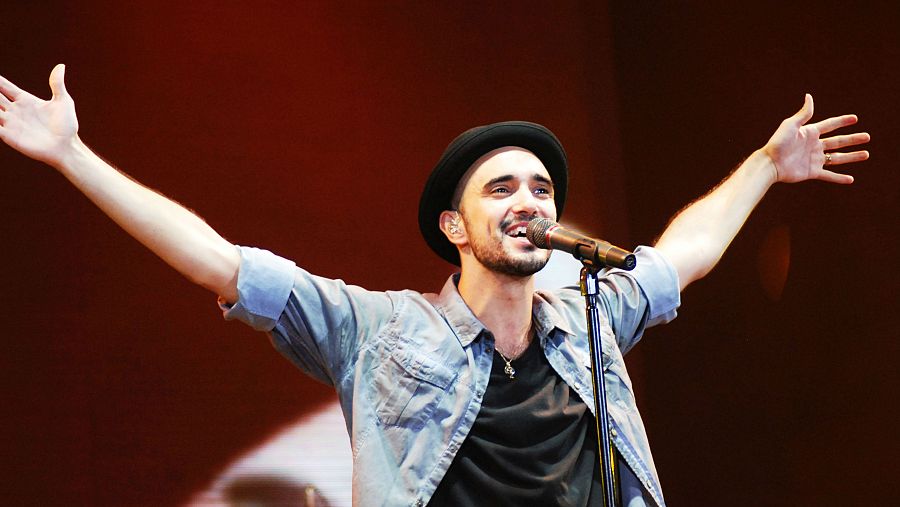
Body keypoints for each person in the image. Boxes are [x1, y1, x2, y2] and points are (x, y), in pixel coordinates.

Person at [0, 65, 869, 507]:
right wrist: (75, 157)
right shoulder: (377, 330)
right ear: (455, 227)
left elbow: (687, 253)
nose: (530, 202)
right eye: (502, 188)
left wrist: (767, 163)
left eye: (542, 189)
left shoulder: (591, 312)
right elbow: (221, 263)